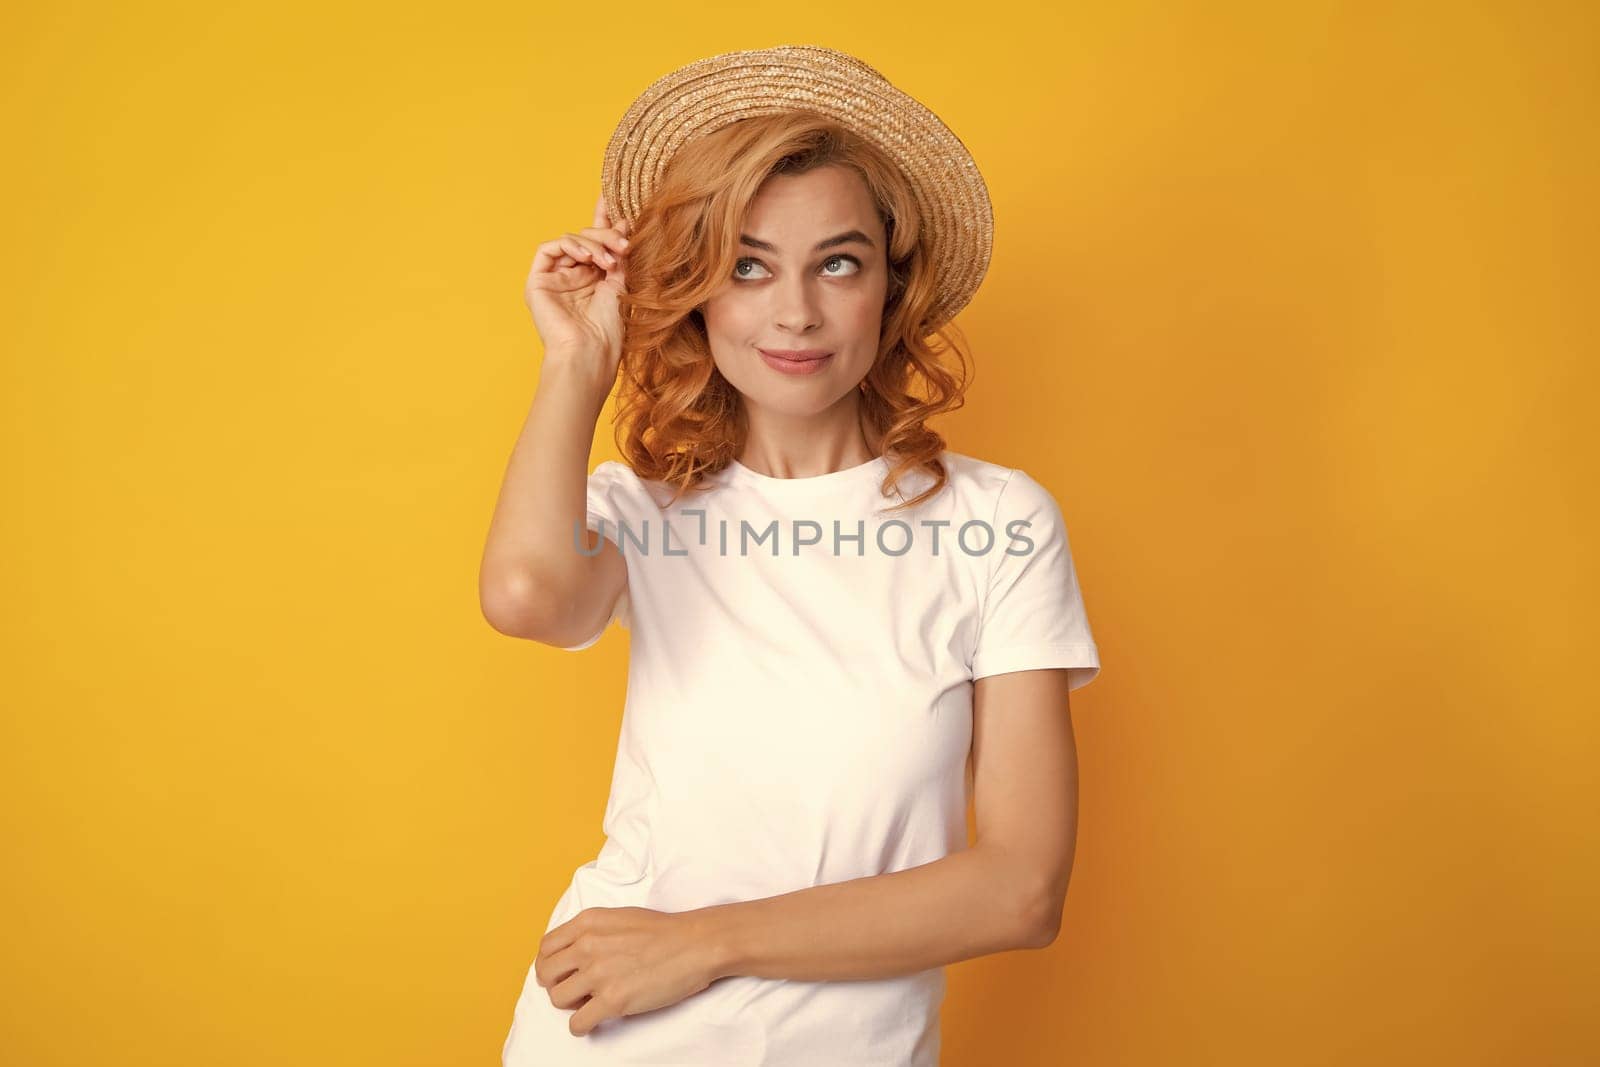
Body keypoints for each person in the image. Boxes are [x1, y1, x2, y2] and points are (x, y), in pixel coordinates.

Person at [482, 44, 1102, 1066]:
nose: (796, 310)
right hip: (606, 1040)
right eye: (747, 265)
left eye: (839, 262)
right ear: (699, 296)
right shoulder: (645, 514)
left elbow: (1022, 888)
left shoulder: (996, 524)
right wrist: (578, 359)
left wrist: (702, 944)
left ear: (890, 288)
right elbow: (522, 596)